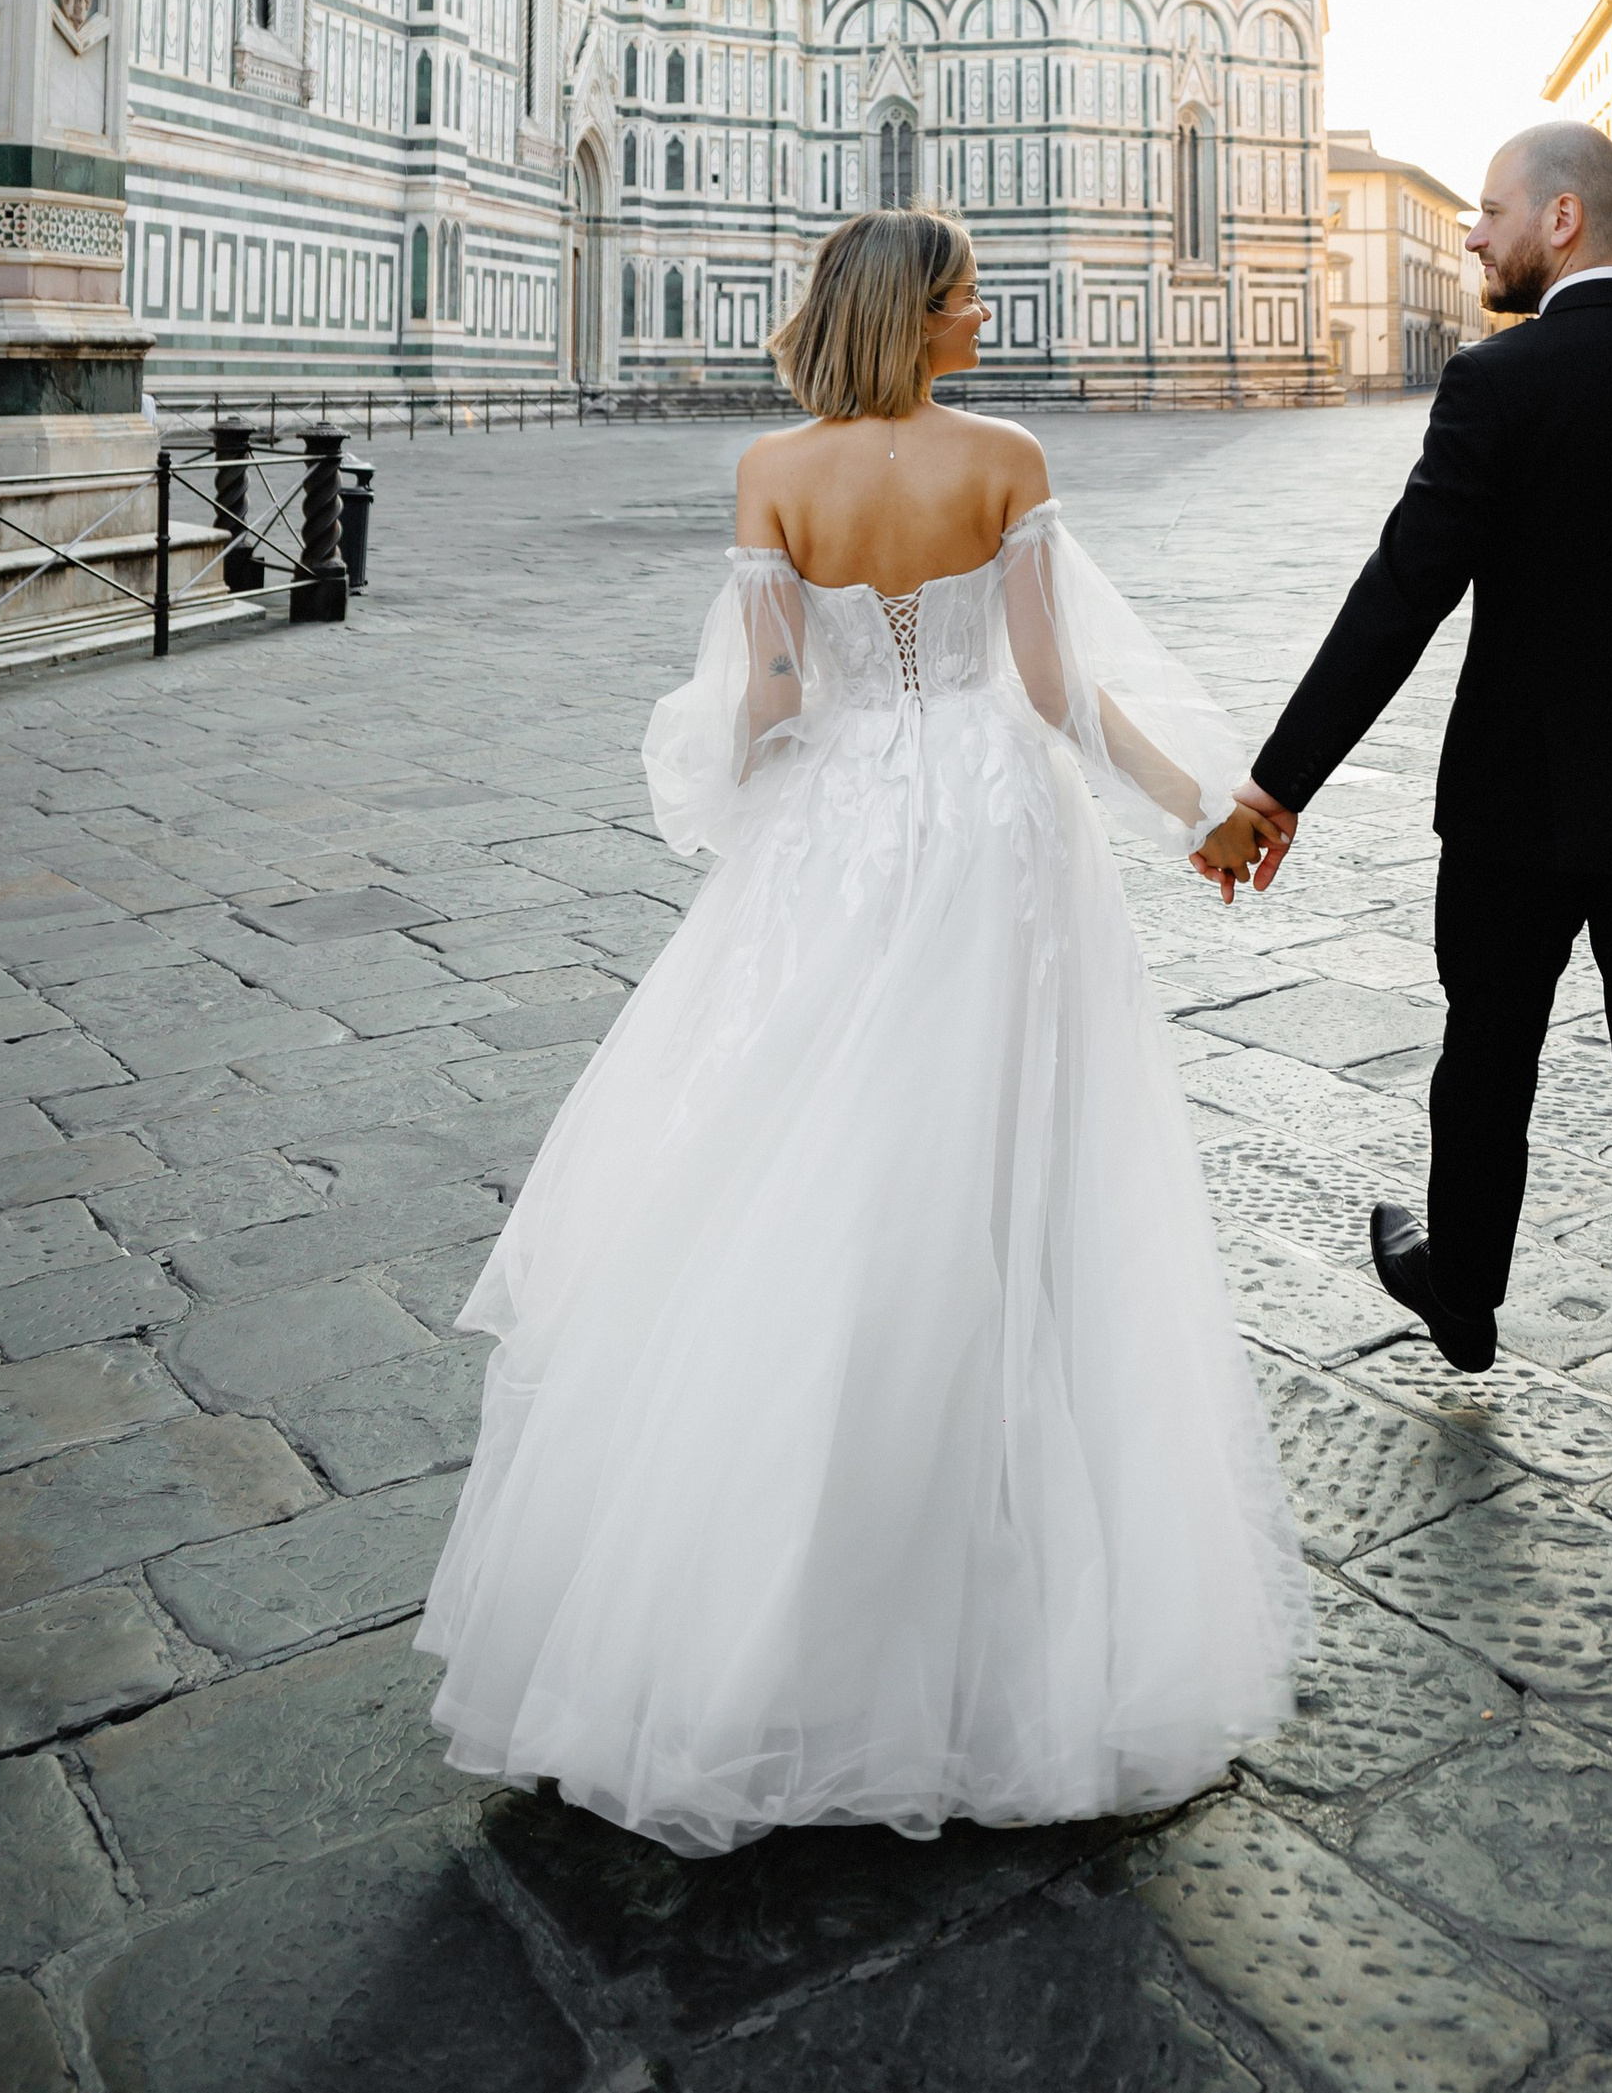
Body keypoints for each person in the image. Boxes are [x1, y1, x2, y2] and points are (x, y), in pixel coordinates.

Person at [419, 206, 1309, 1852]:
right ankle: (998, 1612)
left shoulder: (772, 470)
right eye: (968, 294)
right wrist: (1203, 803)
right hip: (990, 828)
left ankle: (747, 1629)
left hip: (839, 827)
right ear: (918, 312)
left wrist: (745, 789)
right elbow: (1053, 695)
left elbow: (766, 697)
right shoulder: (1005, 455)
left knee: (801, 1156)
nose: (986, 312)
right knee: (993, 1169)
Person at [1232, 121, 1612, 1630]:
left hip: (1517, 806)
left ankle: (1463, 1280)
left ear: (1560, 215)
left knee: (1488, 1052)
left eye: (1484, 213)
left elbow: (1403, 594)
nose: (1470, 238)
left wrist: (1279, 781)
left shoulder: (1496, 384)